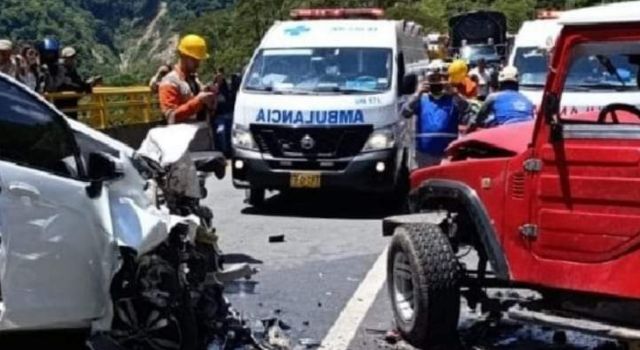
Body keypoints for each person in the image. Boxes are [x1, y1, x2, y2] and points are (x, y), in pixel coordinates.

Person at [402, 70, 462, 168]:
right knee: (425, 182)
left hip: (447, 154)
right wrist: (418, 93)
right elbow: (405, 113)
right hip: (424, 154)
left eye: (438, 80)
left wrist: (455, 94)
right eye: (432, 80)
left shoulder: (452, 99)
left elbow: (467, 110)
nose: (435, 83)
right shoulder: (421, 99)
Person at [158, 34, 216, 124]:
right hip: (182, 136)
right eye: (194, 60)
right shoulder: (170, 82)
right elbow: (171, 117)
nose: (198, 64)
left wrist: (209, 99)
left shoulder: (193, 80)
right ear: (183, 56)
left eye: (199, 60)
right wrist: (198, 101)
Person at [56, 46, 95, 120]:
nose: (72, 59)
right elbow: (67, 84)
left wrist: (87, 85)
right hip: (62, 105)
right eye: (70, 57)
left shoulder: (72, 70)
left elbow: (78, 82)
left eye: (73, 57)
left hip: (72, 105)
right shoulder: (59, 69)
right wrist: (82, 86)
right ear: (64, 58)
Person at [212, 67, 233, 156]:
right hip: (219, 116)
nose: (219, 77)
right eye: (218, 75)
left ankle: (228, 151)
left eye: (221, 75)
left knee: (229, 134)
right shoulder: (213, 88)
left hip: (228, 113)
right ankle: (222, 151)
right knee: (221, 133)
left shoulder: (227, 86)